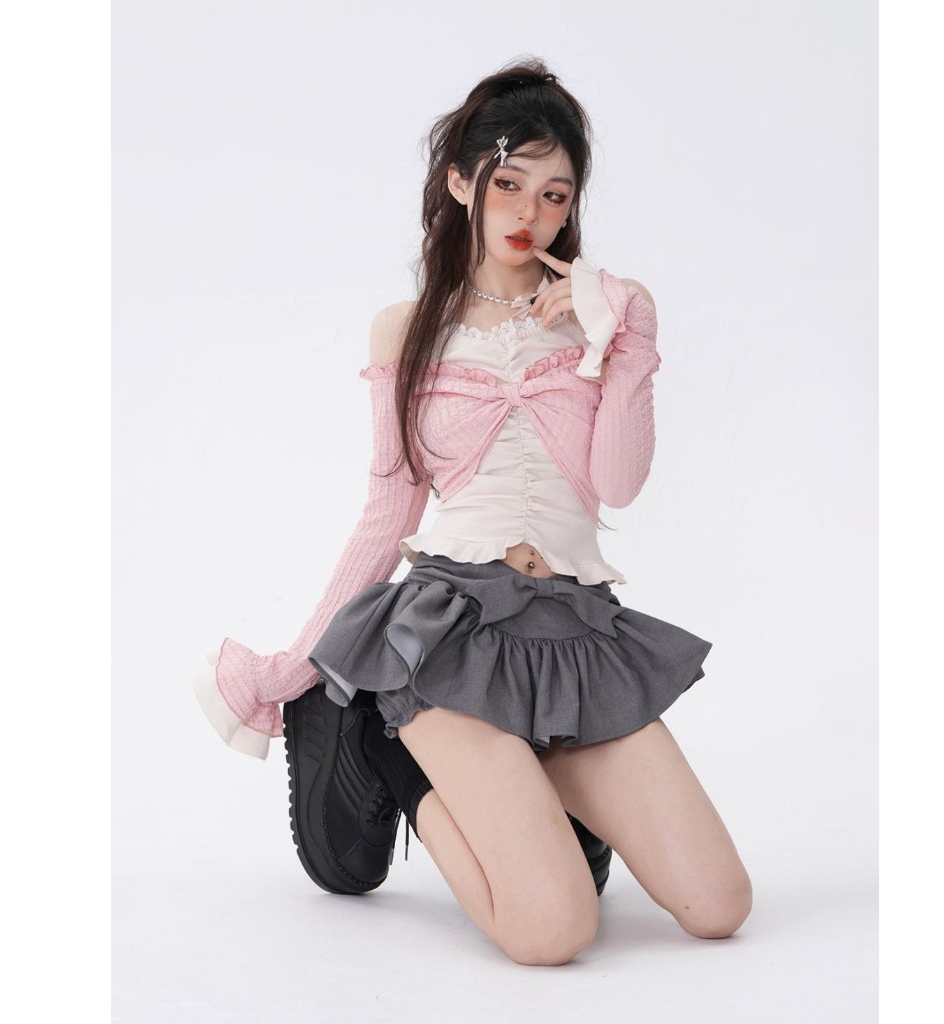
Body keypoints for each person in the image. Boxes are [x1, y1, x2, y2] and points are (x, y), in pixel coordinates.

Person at [194, 56, 752, 966]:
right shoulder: (408, 328)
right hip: (449, 634)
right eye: (508, 184)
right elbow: (388, 511)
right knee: (554, 930)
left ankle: (537, 788)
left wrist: (630, 337)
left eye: (555, 194)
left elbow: (617, 484)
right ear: (461, 183)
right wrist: (301, 664)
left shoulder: (602, 318)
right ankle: (389, 751)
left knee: (719, 904)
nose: (530, 212)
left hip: (574, 630)